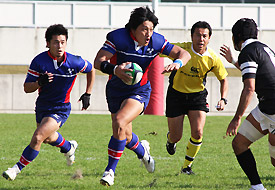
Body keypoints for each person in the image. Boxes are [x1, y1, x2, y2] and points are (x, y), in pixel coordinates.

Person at [94, 6, 191, 186]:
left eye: (151, 29)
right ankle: (144, 152)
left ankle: (109, 171)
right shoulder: (118, 38)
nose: (148, 34)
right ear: (133, 29)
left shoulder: (156, 41)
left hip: (139, 91)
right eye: (144, 29)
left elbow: (183, 54)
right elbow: (98, 62)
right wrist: (115, 69)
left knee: (120, 122)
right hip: (115, 90)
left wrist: (177, 63)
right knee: (125, 134)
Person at [2, 24, 95, 181]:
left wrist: (88, 93)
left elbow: (91, 69)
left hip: (61, 109)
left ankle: (15, 169)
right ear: (47, 43)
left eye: (63, 42)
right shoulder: (39, 62)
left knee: (38, 137)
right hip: (43, 106)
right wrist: (39, 82)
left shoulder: (74, 62)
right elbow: (26, 88)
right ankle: (68, 147)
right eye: (55, 42)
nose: (59, 46)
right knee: (47, 138)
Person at [164, 21, 228, 175]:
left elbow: (224, 79)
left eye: (204, 36)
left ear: (209, 38)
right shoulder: (181, 49)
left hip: (197, 96)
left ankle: (187, 167)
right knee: (176, 136)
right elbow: (159, 47)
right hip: (176, 94)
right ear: (191, 37)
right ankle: (170, 140)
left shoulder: (212, 58)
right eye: (198, 35)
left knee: (198, 132)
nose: (201, 39)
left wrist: (223, 99)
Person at [220, 18, 275, 190]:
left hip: (272, 109)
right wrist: (234, 61)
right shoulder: (263, 48)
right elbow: (256, 74)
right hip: (266, 109)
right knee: (239, 143)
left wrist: (237, 118)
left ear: (236, 37)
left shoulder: (248, 51)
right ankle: (257, 187)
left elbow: (249, 88)